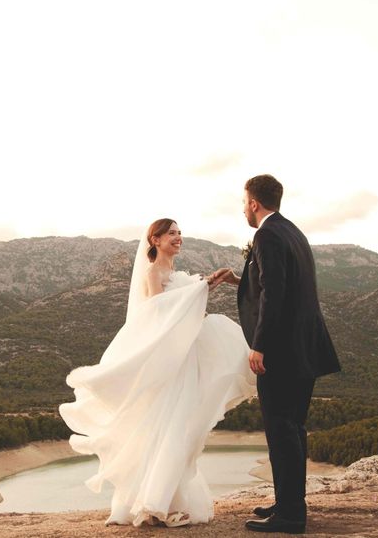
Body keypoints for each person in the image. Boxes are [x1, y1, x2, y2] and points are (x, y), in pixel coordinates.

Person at [59, 218, 257, 527]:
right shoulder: (153, 273)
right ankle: (153, 503)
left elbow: (185, 310)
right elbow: (157, 313)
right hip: (172, 366)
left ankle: (163, 500)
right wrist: (200, 289)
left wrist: (208, 286)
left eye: (179, 233)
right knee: (172, 426)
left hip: (187, 357)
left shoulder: (176, 274)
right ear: (155, 240)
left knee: (183, 427)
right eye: (172, 234)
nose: (179, 238)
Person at [210, 174, 341, 534]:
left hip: (281, 352)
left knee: (281, 432)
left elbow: (275, 293)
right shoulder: (292, 232)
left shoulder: (266, 234)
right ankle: (288, 503)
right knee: (293, 430)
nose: (243, 208)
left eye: (243, 202)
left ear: (254, 202)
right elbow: (275, 281)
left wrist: (259, 345)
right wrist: (241, 278)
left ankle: (290, 517)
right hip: (304, 349)